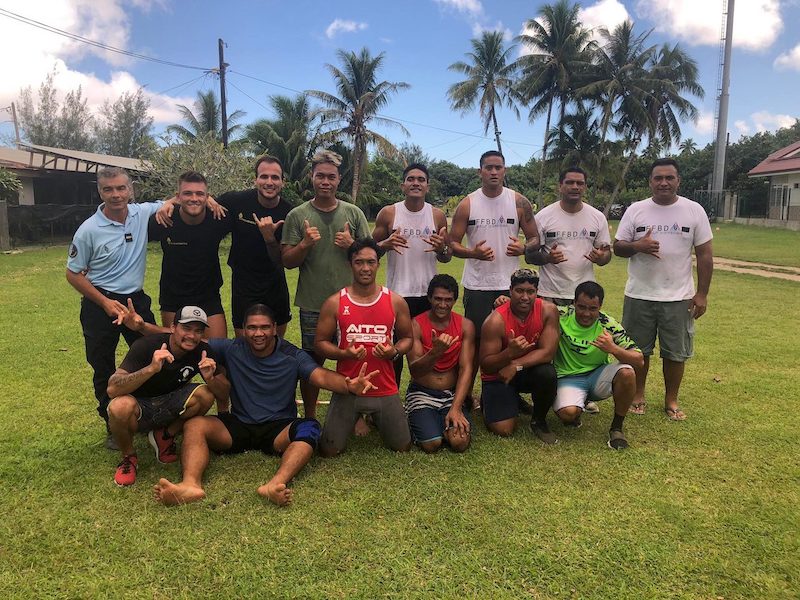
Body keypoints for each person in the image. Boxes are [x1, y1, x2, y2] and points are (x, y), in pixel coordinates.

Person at [152, 304, 379, 507]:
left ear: (274, 328)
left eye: (264, 327)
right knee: (195, 425)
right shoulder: (233, 347)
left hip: (278, 429)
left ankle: (275, 484)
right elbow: (190, 339)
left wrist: (348, 385)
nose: (258, 333)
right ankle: (190, 485)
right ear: (243, 329)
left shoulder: (292, 354)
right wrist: (142, 326)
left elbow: (319, 376)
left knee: (310, 427)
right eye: (251, 327)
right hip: (239, 425)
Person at [66, 167, 164, 446]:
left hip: (136, 302)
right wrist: (105, 302)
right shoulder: (88, 230)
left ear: (130, 189)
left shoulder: (141, 212)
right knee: (102, 364)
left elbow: (175, 200)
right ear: (100, 192)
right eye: (108, 189)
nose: (116, 194)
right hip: (100, 304)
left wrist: (208, 200)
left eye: (121, 188)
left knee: (151, 356)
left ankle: (148, 416)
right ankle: (112, 424)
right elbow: (72, 274)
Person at [613, 158, 714, 421]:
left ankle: (671, 400)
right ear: (650, 182)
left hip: (678, 296)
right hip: (639, 294)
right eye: (658, 178)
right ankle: (638, 395)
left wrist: (701, 294)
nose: (664, 182)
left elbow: (704, 255)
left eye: (669, 177)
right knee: (638, 351)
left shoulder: (693, 211)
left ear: (678, 181)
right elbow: (618, 247)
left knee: (675, 352)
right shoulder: (636, 210)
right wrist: (638, 246)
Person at [155, 156, 293, 338]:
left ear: (283, 181)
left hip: (275, 285)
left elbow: (285, 261)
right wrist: (169, 202)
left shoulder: (290, 213)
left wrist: (269, 238)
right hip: (243, 285)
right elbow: (196, 198)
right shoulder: (235, 202)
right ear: (255, 180)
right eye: (263, 176)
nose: (269, 182)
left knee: (275, 343)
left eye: (275, 177)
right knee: (242, 346)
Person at [281, 150, 370, 420]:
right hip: (312, 303)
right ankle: (309, 416)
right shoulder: (298, 215)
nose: (325, 182)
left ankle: (356, 415)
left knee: (354, 358)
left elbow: (370, 255)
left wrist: (351, 246)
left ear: (339, 180)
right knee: (311, 362)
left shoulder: (353, 213)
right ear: (312, 177)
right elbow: (287, 261)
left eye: (331, 177)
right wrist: (305, 244)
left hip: (351, 304)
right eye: (320, 176)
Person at [449, 150, 540, 408]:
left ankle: (511, 393)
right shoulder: (468, 203)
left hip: (512, 285)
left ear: (505, 170)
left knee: (512, 343)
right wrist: (473, 253)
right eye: (488, 167)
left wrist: (524, 248)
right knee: (477, 343)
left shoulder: (519, 202)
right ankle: (467, 395)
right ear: (480, 171)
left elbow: (535, 238)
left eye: (498, 167)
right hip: (478, 286)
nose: (493, 172)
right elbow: (452, 244)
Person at [106, 306, 227, 486]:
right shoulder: (146, 345)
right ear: (172, 327)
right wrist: (151, 369)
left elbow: (223, 393)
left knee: (206, 394)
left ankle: (164, 436)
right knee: (119, 406)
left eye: (198, 331)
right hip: (139, 407)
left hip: (170, 402)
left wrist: (210, 379)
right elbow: (112, 389)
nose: (192, 336)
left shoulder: (203, 350)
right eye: (186, 328)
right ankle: (128, 457)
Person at [314, 238, 413, 456]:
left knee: (402, 446)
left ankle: (375, 418)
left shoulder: (395, 301)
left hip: (384, 387)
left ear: (378, 264)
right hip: (347, 387)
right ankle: (354, 419)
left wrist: (394, 351)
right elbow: (319, 343)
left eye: (371, 262)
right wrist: (343, 353)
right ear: (350, 264)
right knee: (329, 449)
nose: (365, 268)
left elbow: (407, 339)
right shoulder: (335, 302)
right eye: (359, 262)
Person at [525, 166, 612, 414]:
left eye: (580, 183)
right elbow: (531, 256)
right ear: (560, 185)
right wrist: (547, 258)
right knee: (547, 347)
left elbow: (606, 255)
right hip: (550, 292)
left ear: (585, 187)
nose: (575, 187)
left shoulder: (597, 217)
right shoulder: (544, 216)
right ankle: (545, 395)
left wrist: (600, 256)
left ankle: (582, 394)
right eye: (570, 183)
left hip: (582, 297)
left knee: (581, 347)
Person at [372, 162, 451, 386]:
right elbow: (370, 251)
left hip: (428, 295)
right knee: (394, 350)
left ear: (428, 186)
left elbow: (446, 256)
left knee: (428, 348)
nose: (416, 183)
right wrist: (385, 244)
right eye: (411, 179)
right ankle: (390, 396)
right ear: (403, 185)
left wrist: (441, 249)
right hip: (397, 295)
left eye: (421, 180)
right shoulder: (389, 213)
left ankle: (426, 394)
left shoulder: (436, 215)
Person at [552, 282, 643, 449]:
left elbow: (639, 359)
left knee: (627, 373)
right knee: (568, 414)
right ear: (573, 303)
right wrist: (504, 300)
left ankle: (616, 428)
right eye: (581, 307)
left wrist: (612, 348)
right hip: (567, 377)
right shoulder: (560, 314)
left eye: (592, 309)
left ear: (600, 306)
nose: (586, 314)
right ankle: (579, 404)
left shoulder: (607, 323)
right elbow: (532, 306)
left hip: (597, 376)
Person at [479, 268, 559, 443]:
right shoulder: (495, 321)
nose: (525, 297)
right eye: (519, 291)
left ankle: (539, 421)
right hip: (499, 374)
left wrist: (515, 364)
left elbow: (547, 352)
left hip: (523, 368)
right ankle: (494, 399)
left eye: (530, 292)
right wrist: (508, 353)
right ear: (510, 291)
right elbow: (486, 365)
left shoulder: (548, 310)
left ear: (537, 292)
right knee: (504, 430)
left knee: (547, 373)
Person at [148, 171, 230, 339]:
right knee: (179, 352)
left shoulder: (219, 218)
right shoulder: (163, 220)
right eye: (187, 193)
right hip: (173, 299)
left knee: (218, 352)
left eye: (200, 194)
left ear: (208, 197)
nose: (194, 198)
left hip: (209, 297)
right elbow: (128, 237)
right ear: (178, 197)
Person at [406, 274, 475, 453]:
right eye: (437, 299)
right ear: (429, 298)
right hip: (422, 391)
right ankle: (419, 419)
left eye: (448, 300)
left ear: (454, 300)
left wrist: (456, 407)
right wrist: (436, 352)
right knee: (432, 444)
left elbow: (466, 368)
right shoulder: (416, 325)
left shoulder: (465, 326)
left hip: (451, 394)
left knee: (459, 443)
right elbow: (415, 370)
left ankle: (442, 420)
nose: (443, 305)